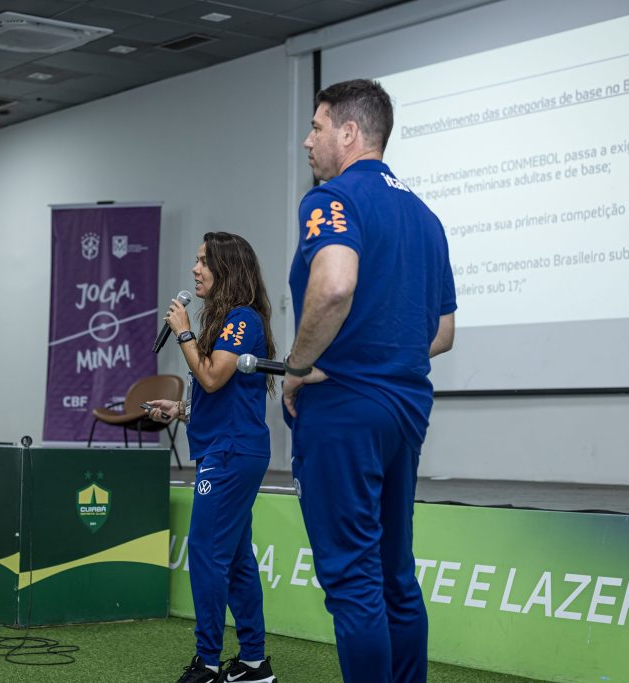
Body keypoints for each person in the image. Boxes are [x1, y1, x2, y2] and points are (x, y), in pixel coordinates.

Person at [282, 79, 457, 683]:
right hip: (405, 413)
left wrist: (299, 368)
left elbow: (332, 285)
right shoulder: (427, 217)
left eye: (317, 127)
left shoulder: (333, 198)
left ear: (350, 133)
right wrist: (379, 352)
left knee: (355, 583)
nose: (308, 141)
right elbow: (440, 333)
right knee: (394, 577)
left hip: (345, 412)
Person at [145, 232, 279, 683]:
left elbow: (212, 377)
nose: (194, 269)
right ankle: (255, 664)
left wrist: (182, 329)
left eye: (203, 261)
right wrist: (180, 410)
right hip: (226, 447)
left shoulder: (242, 318)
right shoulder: (226, 321)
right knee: (237, 558)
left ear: (228, 268)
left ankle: (206, 664)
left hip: (230, 454)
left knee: (206, 554)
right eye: (196, 259)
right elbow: (218, 398)